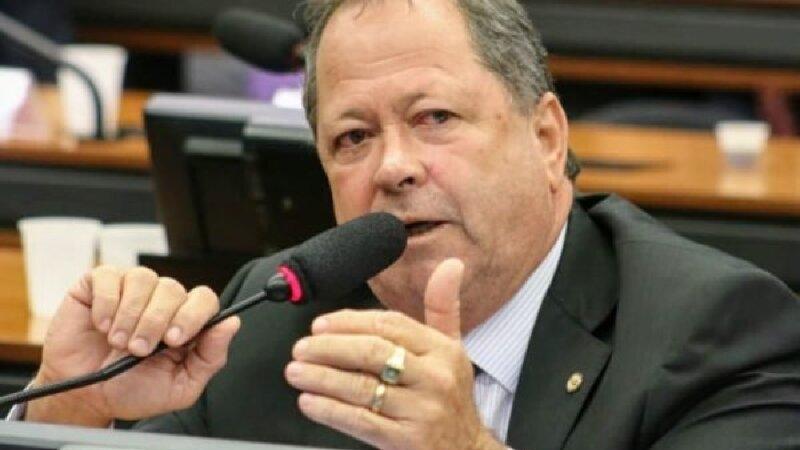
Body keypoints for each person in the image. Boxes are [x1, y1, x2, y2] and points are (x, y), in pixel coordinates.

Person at [14, 0, 800, 449]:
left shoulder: (716, 331)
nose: (394, 167)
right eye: (354, 138)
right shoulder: (275, 319)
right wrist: (71, 411)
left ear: (546, 138)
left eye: (435, 118)